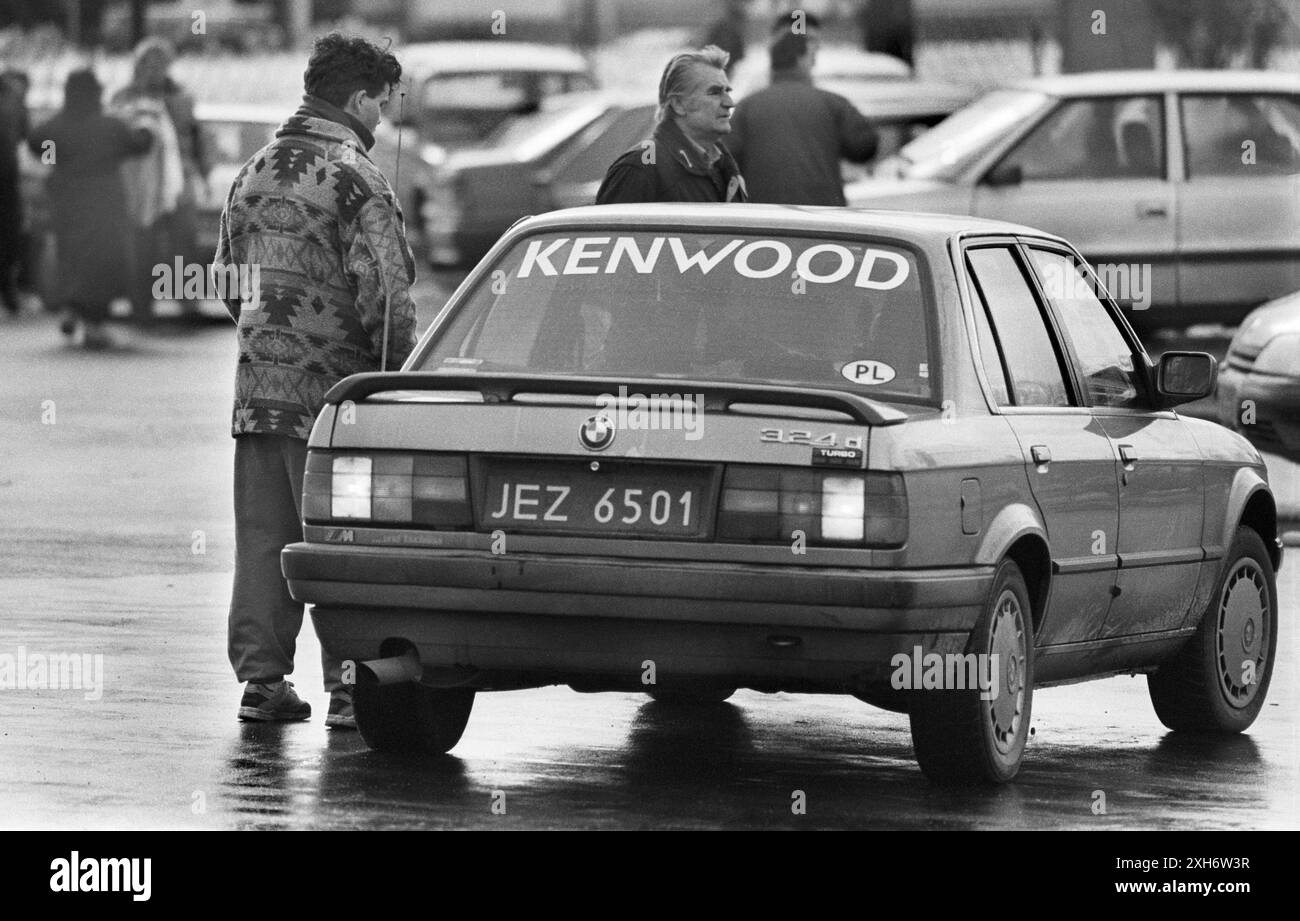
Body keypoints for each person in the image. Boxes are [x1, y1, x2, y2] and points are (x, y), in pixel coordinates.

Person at [214, 33, 418, 729]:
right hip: (337, 401)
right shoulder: (356, 177)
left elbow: (226, 282)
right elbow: (387, 296)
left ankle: (263, 684)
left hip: (259, 393)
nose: (386, 119)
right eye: (387, 103)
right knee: (338, 548)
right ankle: (349, 690)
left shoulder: (253, 170)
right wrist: (388, 385)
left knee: (265, 540)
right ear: (360, 99)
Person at [27, 70, 152, 347]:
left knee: (70, 255)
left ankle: (71, 308)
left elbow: (37, 142)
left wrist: (56, 158)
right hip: (103, 203)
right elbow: (138, 146)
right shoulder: (110, 127)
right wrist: (146, 126)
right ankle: (94, 323)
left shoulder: (56, 126)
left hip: (66, 202)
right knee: (101, 261)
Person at [111, 39, 208, 322]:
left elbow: (196, 136)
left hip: (180, 178)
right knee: (141, 243)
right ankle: (141, 306)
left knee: (184, 242)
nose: (155, 70)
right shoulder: (124, 98)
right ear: (139, 66)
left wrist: (202, 171)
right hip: (141, 182)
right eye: (149, 64)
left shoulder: (182, 97)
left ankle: (188, 304)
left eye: (161, 63)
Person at [726, 29, 877, 205]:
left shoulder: (746, 108)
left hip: (765, 219)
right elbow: (865, 147)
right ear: (801, 59)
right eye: (813, 58)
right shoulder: (832, 104)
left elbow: (727, 161)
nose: (814, 65)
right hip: (823, 218)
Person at [596, 45, 747, 204]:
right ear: (678, 104)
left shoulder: (722, 167)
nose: (729, 103)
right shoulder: (641, 168)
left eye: (727, 92)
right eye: (715, 93)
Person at [0, 69, 28, 315]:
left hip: (7, 175)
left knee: (10, 232)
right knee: (10, 231)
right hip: (8, 172)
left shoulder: (13, 96)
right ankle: (9, 290)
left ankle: (9, 288)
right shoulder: (13, 96)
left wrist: (51, 159)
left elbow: (30, 136)